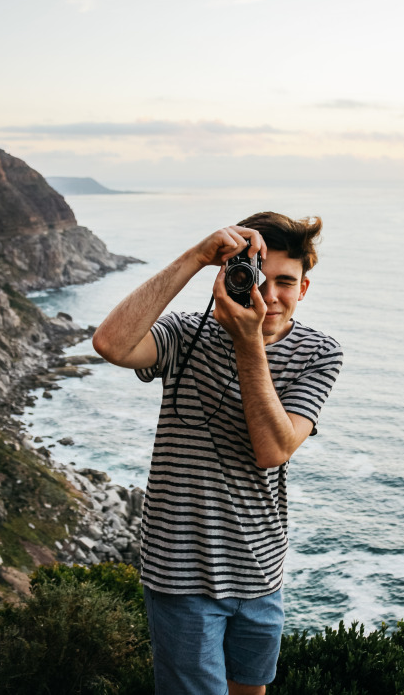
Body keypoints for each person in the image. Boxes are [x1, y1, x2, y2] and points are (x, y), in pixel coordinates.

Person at [92, 211, 343, 695]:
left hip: (261, 570)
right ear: (229, 278)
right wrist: (195, 257)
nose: (269, 296)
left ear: (304, 289)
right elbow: (111, 343)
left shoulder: (319, 353)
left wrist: (248, 343)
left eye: (286, 283)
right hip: (180, 574)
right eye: (255, 279)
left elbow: (273, 449)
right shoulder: (187, 334)